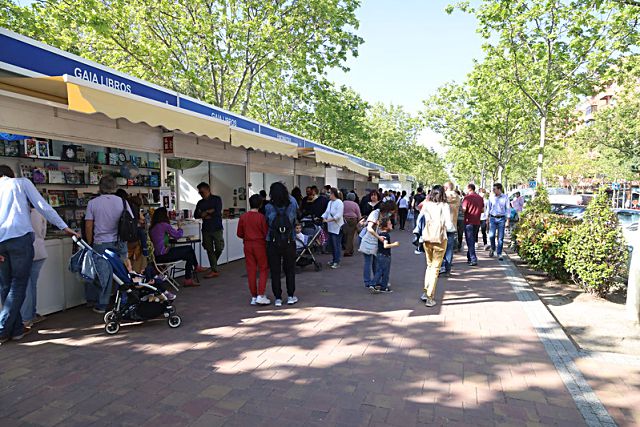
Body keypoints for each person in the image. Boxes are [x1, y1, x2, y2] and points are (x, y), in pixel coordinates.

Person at [0, 165, 77, 343]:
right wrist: (64, 227)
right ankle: (3, 328)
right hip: (20, 238)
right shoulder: (21, 183)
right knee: (19, 284)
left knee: (5, 286)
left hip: (1, 242)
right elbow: (42, 206)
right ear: (10, 174)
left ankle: (17, 329)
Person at [85, 175, 133, 313]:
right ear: (115, 187)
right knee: (122, 272)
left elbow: (89, 225)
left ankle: (102, 304)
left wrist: (90, 243)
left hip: (100, 242)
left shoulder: (93, 203)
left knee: (103, 275)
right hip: (120, 241)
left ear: (100, 187)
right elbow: (130, 221)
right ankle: (123, 301)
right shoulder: (122, 202)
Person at [149, 207, 205, 287]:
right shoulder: (164, 225)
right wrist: (180, 227)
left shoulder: (152, 227)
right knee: (189, 249)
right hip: (164, 255)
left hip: (156, 256)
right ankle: (195, 268)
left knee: (189, 254)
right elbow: (178, 235)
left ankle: (189, 278)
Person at [420, 185, 455, 308]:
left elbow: (424, 218)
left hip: (427, 237)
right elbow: (449, 224)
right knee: (435, 269)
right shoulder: (444, 206)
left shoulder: (427, 205)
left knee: (429, 266)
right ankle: (430, 297)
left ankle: (425, 292)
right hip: (440, 239)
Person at [264, 182, 299, 307]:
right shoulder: (292, 203)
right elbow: (295, 219)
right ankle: (290, 296)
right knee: (290, 269)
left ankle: (278, 298)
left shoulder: (268, 206)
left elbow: (267, 222)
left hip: (272, 241)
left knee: (275, 271)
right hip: (289, 240)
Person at [237, 195, 270, 306]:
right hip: (259, 244)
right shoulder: (261, 217)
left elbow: (239, 233)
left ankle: (254, 296)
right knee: (263, 268)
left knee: (251, 270)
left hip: (247, 244)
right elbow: (265, 233)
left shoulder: (243, 217)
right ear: (260, 204)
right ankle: (261, 294)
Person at [20, 206, 47, 329]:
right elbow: (43, 232)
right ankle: (32, 314)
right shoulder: (39, 212)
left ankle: (26, 318)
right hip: (39, 249)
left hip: (24, 251)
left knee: (26, 285)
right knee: (32, 284)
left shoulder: (18, 212)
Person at [360, 201, 396, 288]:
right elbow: (369, 228)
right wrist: (379, 237)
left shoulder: (385, 215)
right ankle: (368, 282)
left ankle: (376, 280)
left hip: (377, 242)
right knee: (368, 262)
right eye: (391, 211)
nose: (392, 213)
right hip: (369, 240)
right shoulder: (375, 213)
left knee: (376, 262)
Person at [194, 182, 224, 278]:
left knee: (219, 247)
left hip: (217, 228)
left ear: (208, 190)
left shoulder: (217, 199)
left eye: (202, 192)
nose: (201, 194)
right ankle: (214, 270)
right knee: (209, 249)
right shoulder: (200, 203)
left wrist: (205, 212)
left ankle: (213, 265)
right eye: (199, 192)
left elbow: (218, 211)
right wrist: (209, 212)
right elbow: (196, 215)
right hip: (206, 229)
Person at [370, 217, 399, 294]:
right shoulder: (386, 234)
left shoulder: (380, 234)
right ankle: (381, 286)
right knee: (385, 272)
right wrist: (394, 244)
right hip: (385, 256)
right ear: (386, 226)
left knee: (379, 270)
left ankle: (377, 284)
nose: (391, 225)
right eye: (389, 224)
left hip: (379, 254)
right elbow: (385, 246)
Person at [462, 184, 484, 266]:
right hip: (477, 221)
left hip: (468, 221)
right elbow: (482, 210)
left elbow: (464, 210)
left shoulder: (467, 198)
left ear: (469, 189)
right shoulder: (480, 198)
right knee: (472, 240)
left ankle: (473, 258)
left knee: (469, 241)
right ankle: (469, 257)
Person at [322, 188, 345, 269]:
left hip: (337, 227)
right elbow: (327, 212)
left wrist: (327, 220)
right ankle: (334, 259)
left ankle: (337, 261)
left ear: (334, 194)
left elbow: (338, 216)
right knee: (332, 245)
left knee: (336, 245)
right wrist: (322, 217)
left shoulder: (339, 202)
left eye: (330, 193)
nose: (329, 195)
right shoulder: (330, 202)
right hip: (331, 227)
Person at [487, 183, 510, 260]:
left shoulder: (505, 197)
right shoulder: (491, 197)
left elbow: (508, 209)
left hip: (502, 219)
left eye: (494, 189)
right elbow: (488, 208)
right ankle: (493, 248)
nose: (493, 190)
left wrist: (508, 220)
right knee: (491, 235)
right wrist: (487, 218)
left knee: (500, 237)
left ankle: (499, 253)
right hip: (493, 218)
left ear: (499, 189)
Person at [442, 182, 461, 275]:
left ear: (446, 187)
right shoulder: (457, 197)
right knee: (449, 248)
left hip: (442, 225)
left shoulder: (443, 197)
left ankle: (441, 266)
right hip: (452, 224)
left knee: (441, 247)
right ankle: (448, 269)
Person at [342, 192, 361, 257]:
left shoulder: (343, 203)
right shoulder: (355, 204)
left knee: (346, 235)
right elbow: (358, 214)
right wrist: (360, 220)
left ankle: (350, 249)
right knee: (351, 236)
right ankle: (348, 251)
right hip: (353, 220)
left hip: (344, 220)